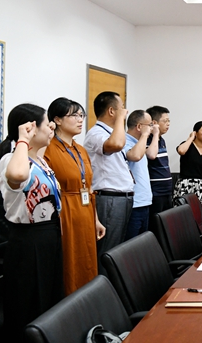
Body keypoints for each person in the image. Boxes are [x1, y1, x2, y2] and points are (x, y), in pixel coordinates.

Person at [0, 104, 63, 341]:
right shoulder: (11, 160)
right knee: (29, 304)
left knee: (49, 298)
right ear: (31, 129)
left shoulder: (38, 159)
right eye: (47, 124)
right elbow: (18, 176)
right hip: (28, 242)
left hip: (48, 236)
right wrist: (22, 139)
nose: (51, 128)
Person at [44, 97, 106, 295]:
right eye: (74, 115)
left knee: (87, 258)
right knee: (69, 262)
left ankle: (88, 300)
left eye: (81, 115)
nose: (80, 120)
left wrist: (96, 219)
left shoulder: (80, 150)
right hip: (65, 212)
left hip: (86, 211)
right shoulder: (48, 149)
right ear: (57, 120)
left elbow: (88, 186)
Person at [83, 91, 133, 272]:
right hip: (109, 198)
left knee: (117, 249)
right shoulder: (96, 133)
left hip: (122, 198)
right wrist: (120, 119)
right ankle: (103, 284)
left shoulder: (112, 132)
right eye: (122, 108)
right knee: (108, 250)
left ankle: (113, 283)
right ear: (112, 111)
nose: (125, 111)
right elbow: (116, 145)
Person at [123, 110, 159, 240]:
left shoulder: (139, 142)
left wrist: (155, 135)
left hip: (144, 201)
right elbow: (135, 156)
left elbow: (152, 154)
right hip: (134, 204)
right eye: (149, 125)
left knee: (142, 242)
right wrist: (145, 135)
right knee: (131, 243)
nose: (152, 128)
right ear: (139, 127)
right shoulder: (125, 141)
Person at [174, 121, 202, 216]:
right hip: (185, 185)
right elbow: (181, 151)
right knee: (183, 215)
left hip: (199, 186)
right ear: (196, 133)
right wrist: (191, 138)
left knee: (201, 215)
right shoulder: (187, 145)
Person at [146, 105, 172, 215]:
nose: (168, 124)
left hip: (166, 189)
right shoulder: (147, 139)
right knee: (155, 221)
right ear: (154, 123)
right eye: (165, 121)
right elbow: (151, 155)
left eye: (169, 121)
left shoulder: (162, 140)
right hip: (155, 191)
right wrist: (155, 134)